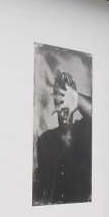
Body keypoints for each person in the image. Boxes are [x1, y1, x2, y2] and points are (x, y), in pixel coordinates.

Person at [34, 70, 92, 204]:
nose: (65, 106)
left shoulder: (86, 131)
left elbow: (98, 115)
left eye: (68, 99)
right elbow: (40, 184)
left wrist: (76, 97)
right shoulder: (45, 140)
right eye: (60, 100)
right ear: (54, 101)